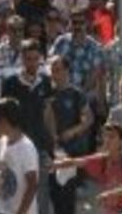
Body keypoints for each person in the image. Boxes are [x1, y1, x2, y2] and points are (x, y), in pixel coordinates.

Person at [0, 39, 53, 214]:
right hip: (18, 148)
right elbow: (3, 119)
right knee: (17, 193)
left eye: (35, 58)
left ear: (40, 59)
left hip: (41, 146)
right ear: (22, 59)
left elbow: (48, 115)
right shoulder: (10, 84)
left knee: (42, 194)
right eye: (29, 58)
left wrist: (53, 145)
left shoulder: (46, 82)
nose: (33, 63)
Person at [51, 122, 122, 214]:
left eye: (112, 137)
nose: (107, 140)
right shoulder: (102, 160)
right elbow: (76, 161)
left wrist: (110, 194)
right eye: (105, 136)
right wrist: (54, 165)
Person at [44, 56, 92, 214]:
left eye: (58, 70)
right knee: (55, 195)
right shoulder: (47, 94)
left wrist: (72, 132)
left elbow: (88, 119)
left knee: (68, 196)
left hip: (71, 153)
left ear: (66, 71)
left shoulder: (76, 94)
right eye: (52, 71)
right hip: (52, 152)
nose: (54, 74)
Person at [0, 97, 39, 214]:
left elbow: (32, 185)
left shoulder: (26, 147)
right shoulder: (3, 141)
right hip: (2, 209)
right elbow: (4, 172)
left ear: (5, 121)